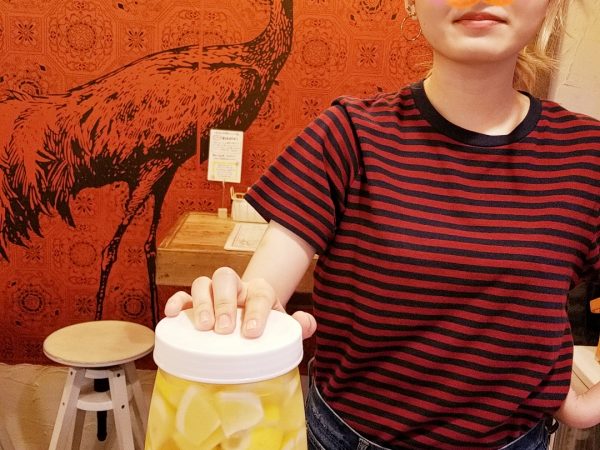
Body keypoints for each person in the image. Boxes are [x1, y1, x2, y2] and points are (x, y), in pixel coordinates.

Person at [165, 0, 600, 448]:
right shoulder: (348, 135)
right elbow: (261, 292)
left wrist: (585, 407)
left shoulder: (586, 156)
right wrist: (233, 311)